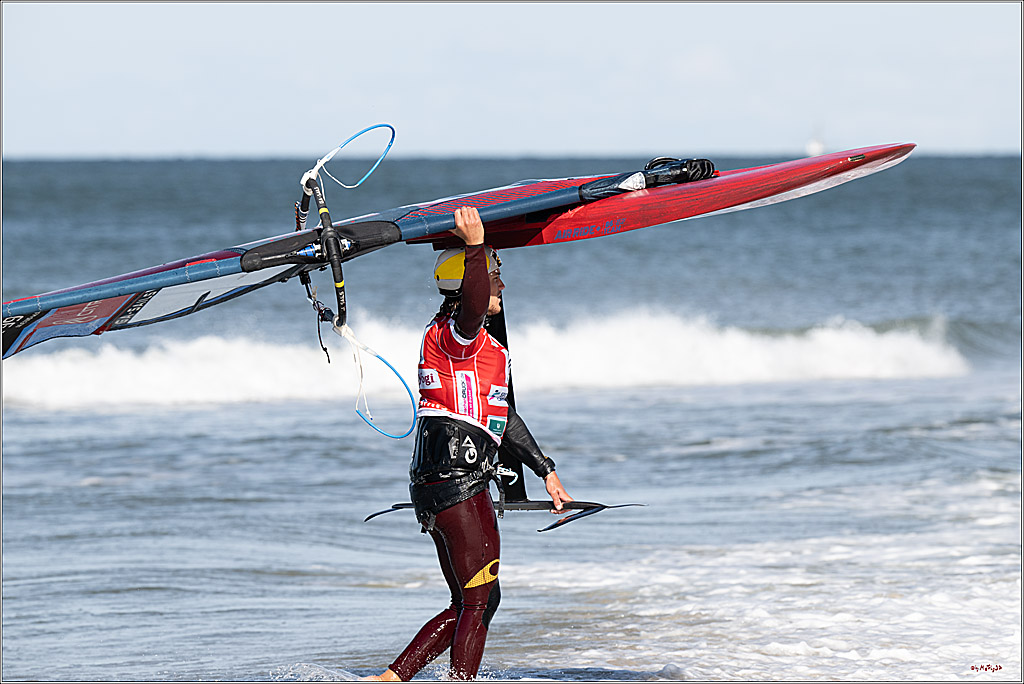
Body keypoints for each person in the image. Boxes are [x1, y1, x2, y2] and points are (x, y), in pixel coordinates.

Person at [366, 207, 572, 682]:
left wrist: (546, 470)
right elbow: (475, 302)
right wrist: (477, 246)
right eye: (496, 276)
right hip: (457, 482)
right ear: (467, 281)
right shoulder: (459, 334)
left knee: (473, 599)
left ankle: (392, 679)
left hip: (443, 482)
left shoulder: (476, 347)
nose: (501, 285)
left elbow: (502, 418)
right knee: (479, 599)